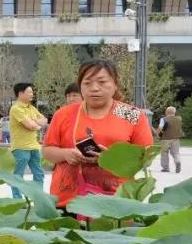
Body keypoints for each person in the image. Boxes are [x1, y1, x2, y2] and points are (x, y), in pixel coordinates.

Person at [42, 59, 154, 209]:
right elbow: (47, 151)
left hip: (116, 201)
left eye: (102, 82)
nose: (94, 88)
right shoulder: (64, 114)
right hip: (68, 200)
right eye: (87, 83)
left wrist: (110, 159)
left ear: (115, 84)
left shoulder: (130, 114)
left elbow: (146, 156)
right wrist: (66, 154)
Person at [8, 83, 47, 198]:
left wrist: (34, 121)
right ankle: (17, 200)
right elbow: (31, 126)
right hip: (21, 148)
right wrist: (36, 123)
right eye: (29, 92)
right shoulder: (16, 108)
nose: (32, 94)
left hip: (34, 147)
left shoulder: (32, 107)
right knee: (18, 176)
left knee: (39, 173)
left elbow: (44, 120)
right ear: (20, 93)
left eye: (32, 92)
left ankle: (38, 197)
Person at [158, 105, 184, 173]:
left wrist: (157, 134)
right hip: (176, 139)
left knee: (164, 153)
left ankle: (166, 168)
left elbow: (160, 128)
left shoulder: (163, 119)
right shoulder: (179, 118)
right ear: (174, 112)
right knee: (176, 153)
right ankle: (177, 161)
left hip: (165, 139)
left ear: (167, 112)